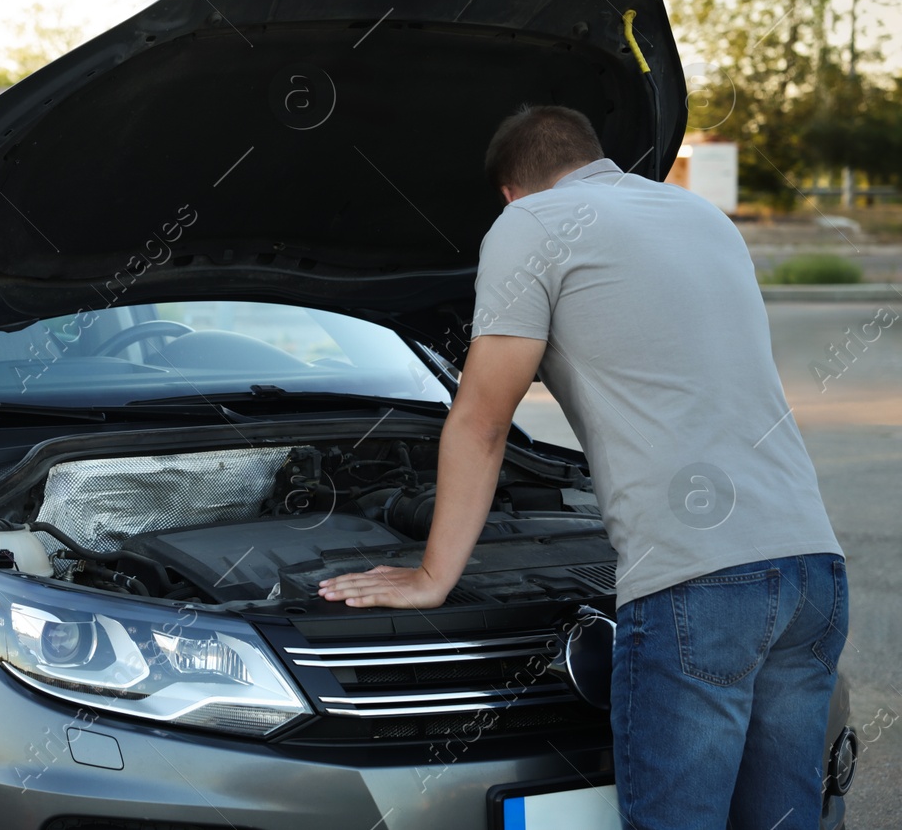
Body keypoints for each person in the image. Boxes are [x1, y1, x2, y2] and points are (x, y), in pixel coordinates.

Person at [319, 105, 846, 830]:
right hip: (811, 567)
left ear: (510, 191)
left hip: (699, 579)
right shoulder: (701, 217)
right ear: (594, 156)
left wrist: (432, 575)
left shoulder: (530, 224)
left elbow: (482, 417)